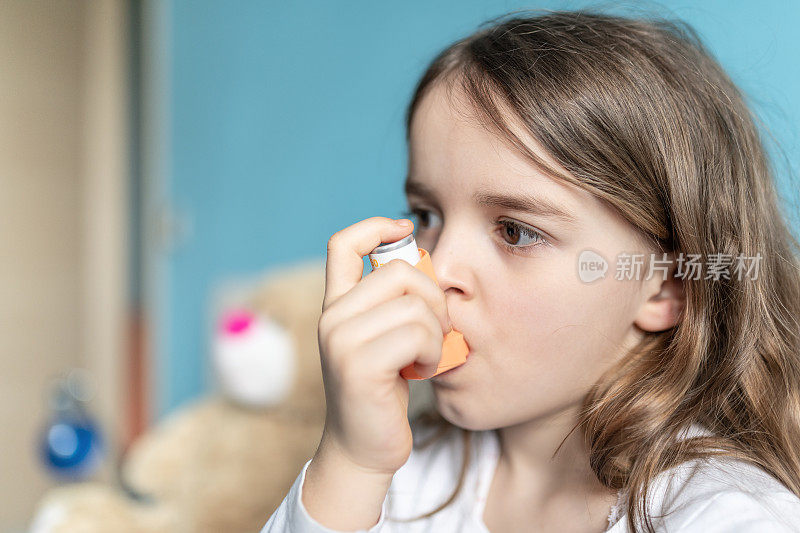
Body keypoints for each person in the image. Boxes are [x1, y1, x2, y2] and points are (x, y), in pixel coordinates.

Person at [261, 9, 800, 532]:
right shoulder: (396, 474)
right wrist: (351, 462)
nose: (438, 267)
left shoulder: (730, 516)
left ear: (665, 286)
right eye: (426, 216)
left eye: (515, 231)